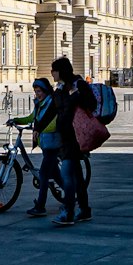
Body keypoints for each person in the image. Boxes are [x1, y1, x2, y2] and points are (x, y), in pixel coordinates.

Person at [48, 56, 97, 227]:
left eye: (53, 70)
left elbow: (91, 103)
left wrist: (74, 97)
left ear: (60, 71)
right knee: (77, 175)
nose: (51, 73)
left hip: (76, 137)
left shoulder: (79, 85)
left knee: (67, 175)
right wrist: (38, 126)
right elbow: (54, 110)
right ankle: (84, 210)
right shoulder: (60, 88)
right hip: (66, 136)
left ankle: (68, 212)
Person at [7, 78, 61, 216]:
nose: (37, 94)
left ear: (45, 90)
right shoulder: (39, 103)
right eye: (36, 91)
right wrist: (16, 120)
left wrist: (41, 129)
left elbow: (53, 121)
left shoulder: (51, 102)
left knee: (43, 174)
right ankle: (72, 196)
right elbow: (31, 118)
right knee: (56, 175)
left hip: (53, 142)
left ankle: (40, 206)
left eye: (40, 91)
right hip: (45, 142)